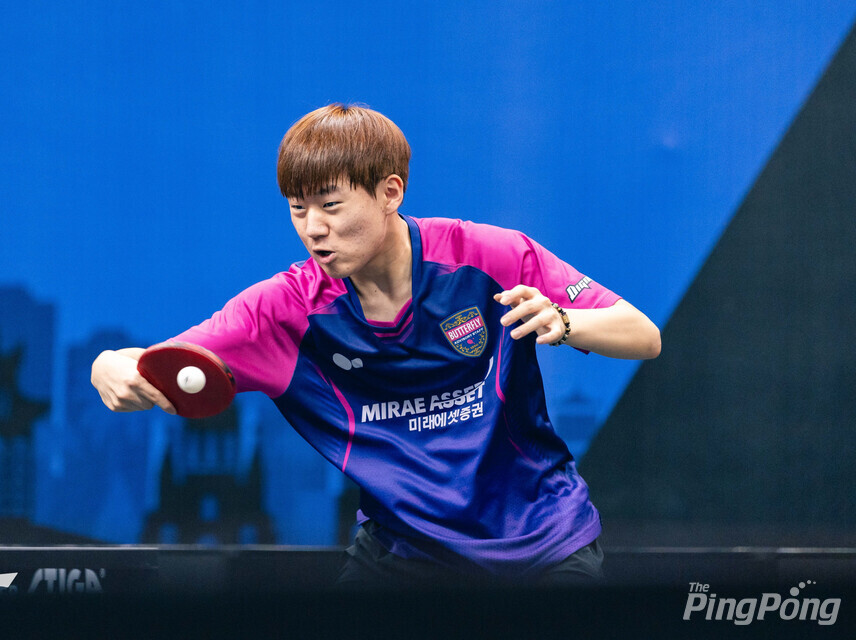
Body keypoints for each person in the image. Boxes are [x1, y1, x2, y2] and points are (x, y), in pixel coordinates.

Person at [91, 103, 660, 586]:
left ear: (390, 192)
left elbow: (642, 334)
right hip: (402, 553)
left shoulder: (489, 257)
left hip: (543, 544)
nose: (313, 228)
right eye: (297, 209)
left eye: (330, 205)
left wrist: (563, 320)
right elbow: (155, 363)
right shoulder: (285, 311)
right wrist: (108, 366)